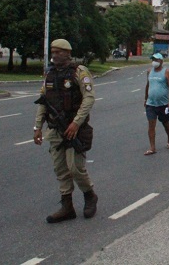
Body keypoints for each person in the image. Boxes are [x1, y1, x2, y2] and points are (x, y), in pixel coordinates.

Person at [33, 39, 98, 223]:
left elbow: (89, 98)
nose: (54, 55)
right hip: (55, 129)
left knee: (75, 168)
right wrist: (38, 127)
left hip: (74, 128)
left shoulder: (79, 72)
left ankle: (90, 196)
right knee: (60, 169)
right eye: (52, 52)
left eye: (58, 52)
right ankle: (67, 205)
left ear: (68, 53)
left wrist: (76, 123)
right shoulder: (49, 75)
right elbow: (43, 102)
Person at [144, 53, 169, 155]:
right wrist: (145, 99)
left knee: (165, 123)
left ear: (161, 61)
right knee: (151, 125)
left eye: (156, 60)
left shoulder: (166, 72)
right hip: (151, 104)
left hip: (163, 104)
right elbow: (148, 86)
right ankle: (152, 148)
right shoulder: (149, 71)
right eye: (153, 59)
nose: (154, 62)